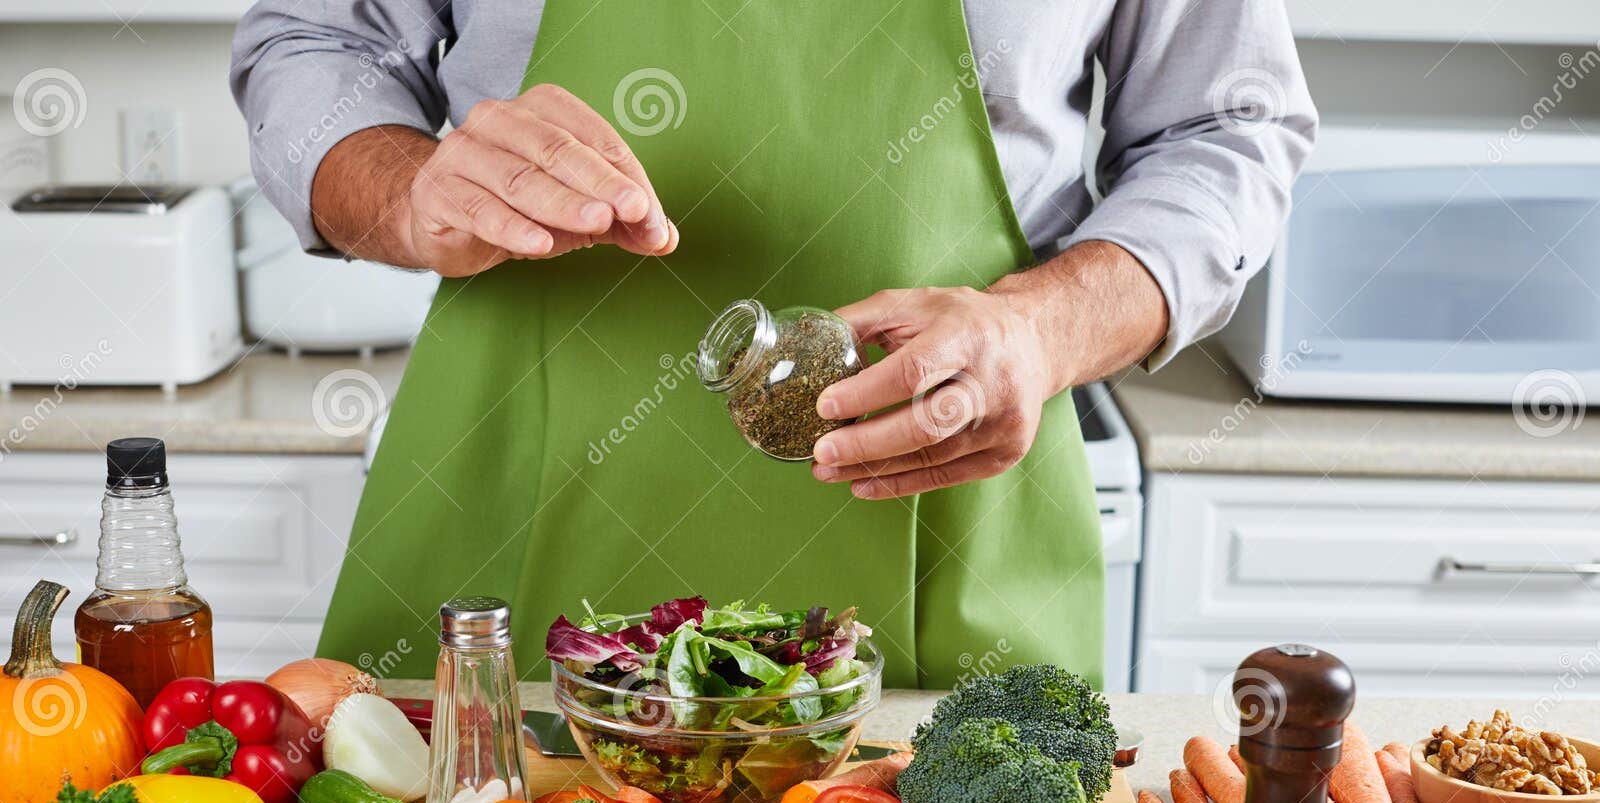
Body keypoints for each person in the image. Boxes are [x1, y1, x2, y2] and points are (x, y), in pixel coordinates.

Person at [231, 1, 1315, 688]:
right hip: (512, 504)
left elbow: (1231, 124)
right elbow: (315, 42)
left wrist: (1040, 326)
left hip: (946, 503)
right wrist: (407, 188)